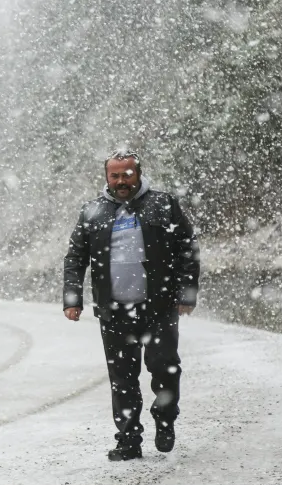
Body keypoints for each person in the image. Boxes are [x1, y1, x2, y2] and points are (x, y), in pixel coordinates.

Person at [63, 149, 200, 461]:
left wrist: (187, 294)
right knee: (122, 378)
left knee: (165, 369)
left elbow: (187, 248)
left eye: (127, 174)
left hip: (159, 307)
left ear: (138, 174)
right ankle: (128, 440)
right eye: (115, 175)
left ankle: (165, 420)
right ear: (106, 177)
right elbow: (75, 258)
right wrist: (72, 299)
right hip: (113, 311)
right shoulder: (92, 212)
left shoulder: (163, 204)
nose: (121, 181)